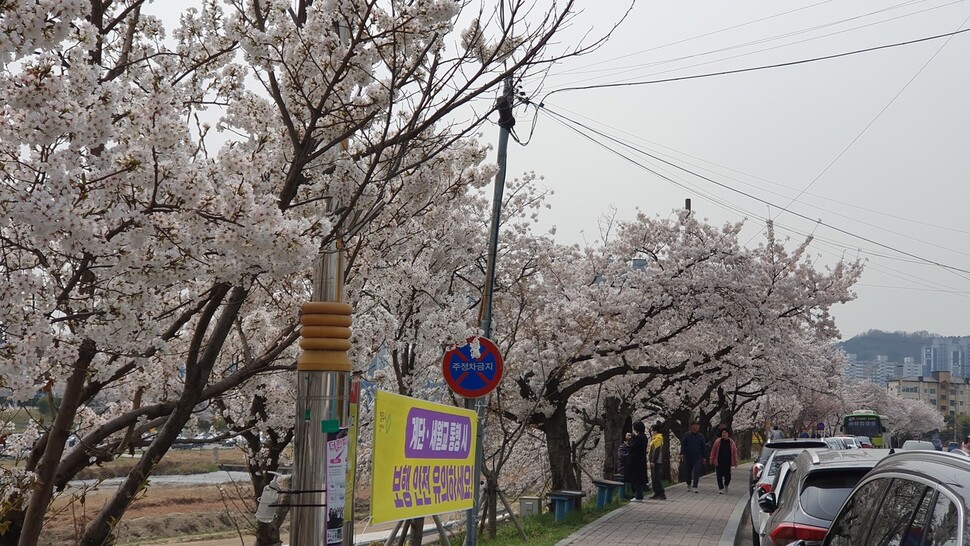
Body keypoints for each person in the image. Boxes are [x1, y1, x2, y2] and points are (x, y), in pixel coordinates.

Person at [710, 427, 739, 494]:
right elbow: (713, 451)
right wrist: (712, 459)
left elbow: (734, 452)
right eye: (723, 433)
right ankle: (721, 488)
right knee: (719, 475)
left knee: (728, 476)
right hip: (719, 461)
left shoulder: (731, 442)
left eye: (725, 433)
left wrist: (735, 461)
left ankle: (726, 484)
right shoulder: (717, 441)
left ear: (728, 434)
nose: (724, 434)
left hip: (727, 462)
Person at [679, 421, 706, 493]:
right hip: (688, 456)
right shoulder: (687, 435)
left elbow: (703, 447)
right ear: (691, 426)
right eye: (694, 425)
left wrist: (704, 457)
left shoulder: (701, 436)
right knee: (688, 471)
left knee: (696, 471)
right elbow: (683, 445)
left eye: (697, 426)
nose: (696, 427)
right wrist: (682, 453)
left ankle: (695, 486)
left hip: (698, 457)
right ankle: (688, 484)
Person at [626, 422, 649, 501]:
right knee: (639, 478)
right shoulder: (644, 437)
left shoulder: (638, 438)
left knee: (636, 478)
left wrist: (628, 442)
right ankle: (639, 495)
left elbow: (633, 448)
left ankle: (638, 496)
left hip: (636, 460)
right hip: (642, 459)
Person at [648, 423, 667, 500]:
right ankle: (657, 493)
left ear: (655, 431)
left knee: (656, 477)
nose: (651, 432)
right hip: (655, 461)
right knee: (654, 477)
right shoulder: (655, 438)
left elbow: (656, 450)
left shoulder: (658, 438)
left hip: (656, 461)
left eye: (652, 430)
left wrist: (653, 461)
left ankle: (661, 493)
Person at [617, 432, 632, 497]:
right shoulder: (622, 447)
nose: (630, 437)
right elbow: (621, 456)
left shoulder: (633, 446)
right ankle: (625, 494)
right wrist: (629, 455)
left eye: (631, 435)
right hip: (623, 467)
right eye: (628, 435)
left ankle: (631, 493)